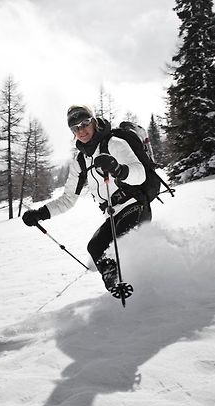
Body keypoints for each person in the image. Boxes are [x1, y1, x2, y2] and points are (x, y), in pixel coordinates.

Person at [22, 105, 152, 291]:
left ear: (93, 122)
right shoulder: (81, 161)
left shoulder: (114, 144)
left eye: (84, 123)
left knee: (116, 247)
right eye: (75, 127)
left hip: (134, 206)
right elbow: (68, 199)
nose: (81, 130)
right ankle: (119, 293)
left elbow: (140, 175)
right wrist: (40, 214)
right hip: (113, 214)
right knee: (96, 248)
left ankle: (146, 290)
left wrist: (118, 170)